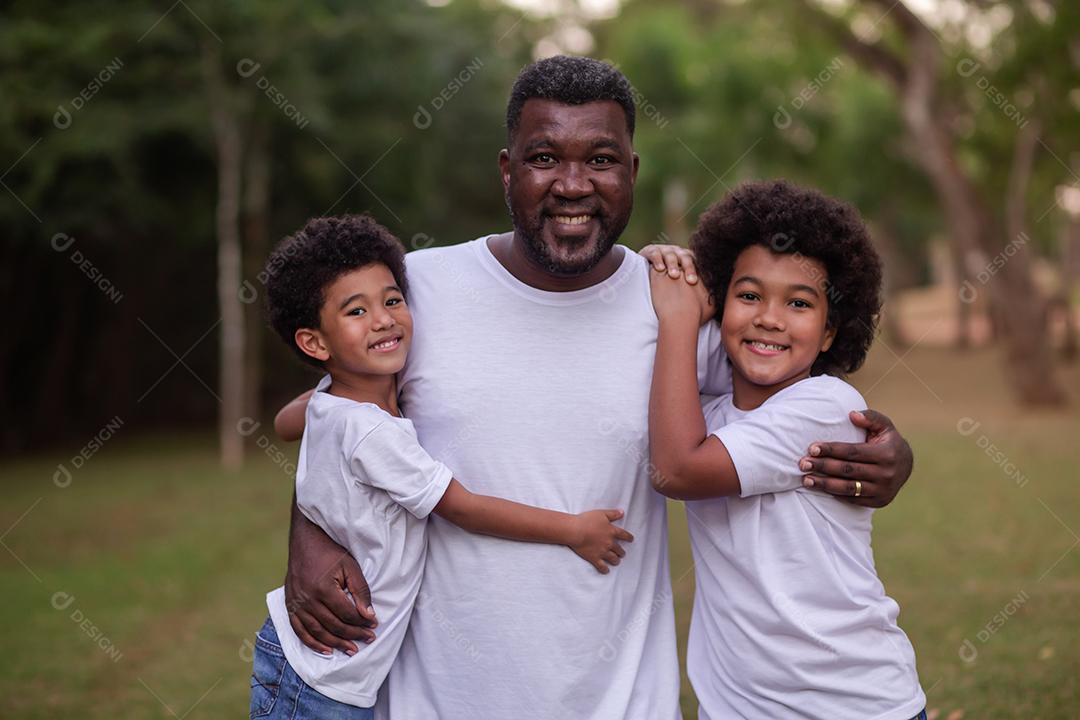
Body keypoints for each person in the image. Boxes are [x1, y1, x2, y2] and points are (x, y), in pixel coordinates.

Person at [277, 56, 915, 719]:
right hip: (442, 700)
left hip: (623, 701)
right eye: (545, 157)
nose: (573, 184)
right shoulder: (420, 291)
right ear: (507, 170)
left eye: (602, 159)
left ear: (632, 172)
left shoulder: (678, 310)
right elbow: (334, 418)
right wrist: (311, 537)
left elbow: (790, 392)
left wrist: (893, 451)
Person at [250, 214, 633, 719]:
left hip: (322, 666)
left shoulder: (331, 399)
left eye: (391, 300)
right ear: (315, 343)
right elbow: (463, 507)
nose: (384, 319)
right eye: (356, 311)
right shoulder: (373, 434)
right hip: (321, 677)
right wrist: (572, 529)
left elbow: (282, 422)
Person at [648, 180, 925, 719]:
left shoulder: (823, 405)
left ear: (828, 333)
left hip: (852, 705)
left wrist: (678, 317)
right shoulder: (710, 408)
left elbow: (676, 470)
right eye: (748, 295)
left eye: (799, 303)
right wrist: (667, 265)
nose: (769, 318)